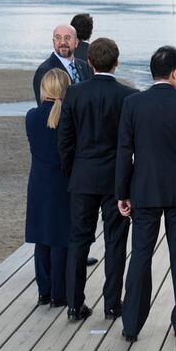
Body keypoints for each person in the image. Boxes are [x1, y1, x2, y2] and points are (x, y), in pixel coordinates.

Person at [116, 45, 176, 342]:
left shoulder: (133, 104)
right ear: (175, 72)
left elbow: (124, 152)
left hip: (144, 189)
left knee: (140, 256)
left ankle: (131, 324)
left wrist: (122, 191)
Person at [58, 38, 137, 321]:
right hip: (116, 179)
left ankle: (74, 304)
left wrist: (72, 171)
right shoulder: (129, 96)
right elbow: (134, 143)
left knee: (78, 241)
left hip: (83, 176)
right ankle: (112, 304)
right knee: (115, 242)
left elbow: (65, 142)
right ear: (117, 62)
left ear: (89, 62)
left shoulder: (74, 94)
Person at [25, 68, 71, 309]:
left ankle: (44, 291)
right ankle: (59, 293)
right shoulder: (69, 117)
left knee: (41, 238)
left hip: (39, 183)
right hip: (62, 182)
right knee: (60, 238)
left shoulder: (31, 117)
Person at [33, 24, 91, 105]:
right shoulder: (44, 71)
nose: (63, 42)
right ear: (53, 42)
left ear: (76, 42)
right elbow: (43, 108)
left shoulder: (85, 67)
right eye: (58, 37)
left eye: (67, 37)